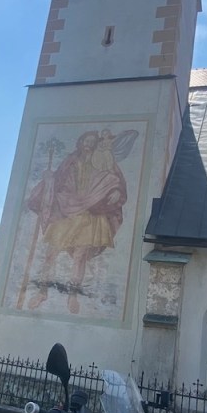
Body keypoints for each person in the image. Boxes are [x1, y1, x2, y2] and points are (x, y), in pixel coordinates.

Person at [26, 130, 128, 314]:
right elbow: (58, 180)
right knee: (51, 253)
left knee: (80, 256)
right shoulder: (70, 161)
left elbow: (116, 179)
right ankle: (42, 292)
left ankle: (73, 295)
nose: (89, 145)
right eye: (86, 141)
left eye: (92, 142)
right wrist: (49, 178)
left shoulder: (102, 160)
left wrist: (117, 191)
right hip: (68, 210)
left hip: (91, 212)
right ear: (80, 142)